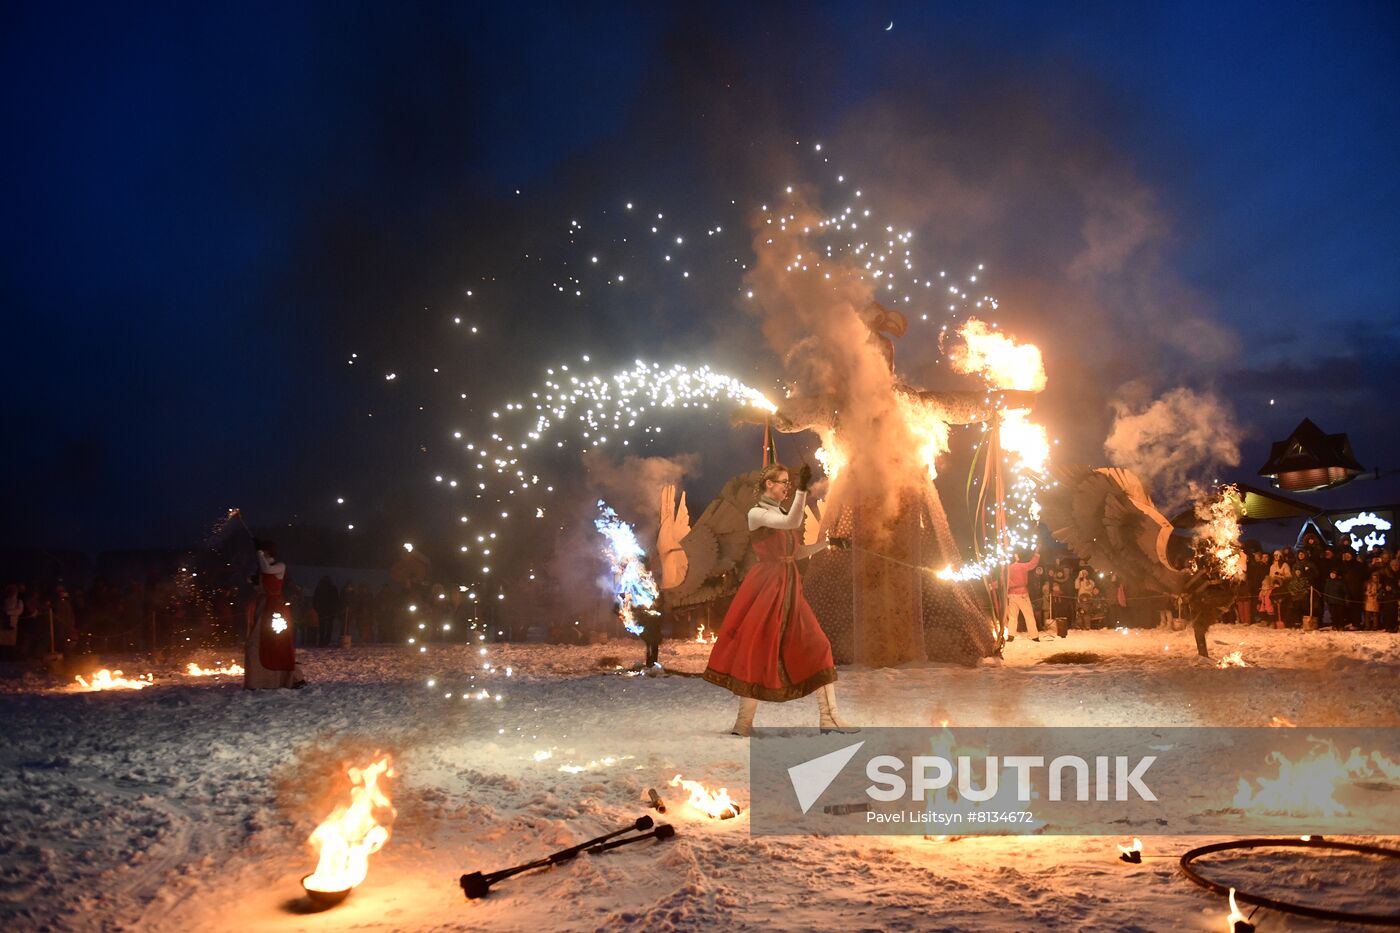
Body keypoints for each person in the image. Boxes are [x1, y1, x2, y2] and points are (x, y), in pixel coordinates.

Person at [703, 463, 849, 735]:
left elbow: (796, 551)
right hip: (768, 585)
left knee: (819, 645)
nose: (786, 486)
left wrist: (827, 544)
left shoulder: (780, 511)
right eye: (782, 482)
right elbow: (792, 522)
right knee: (757, 649)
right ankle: (743, 723)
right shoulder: (757, 513)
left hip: (789, 585)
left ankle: (829, 718)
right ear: (768, 484)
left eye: (788, 482)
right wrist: (803, 491)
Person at [244, 541, 304, 689]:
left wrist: (259, 554)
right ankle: (259, 680)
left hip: (275, 608)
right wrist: (253, 581)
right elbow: (258, 582)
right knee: (255, 644)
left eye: (263, 551)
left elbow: (267, 569)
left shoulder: (280, 566)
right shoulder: (261, 568)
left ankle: (288, 679)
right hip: (263, 608)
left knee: (277, 644)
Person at [1002, 548, 1042, 641]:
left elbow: (1002, 581)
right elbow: (1033, 564)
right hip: (1022, 594)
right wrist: (1037, 553)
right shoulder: (1021, 566)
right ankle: (1034, 636)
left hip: (1011, 594)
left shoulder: (1007, 569)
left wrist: (991, 586)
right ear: (1016, 557)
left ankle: (1011, 636)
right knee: (1029, 616)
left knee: (1012, 617)